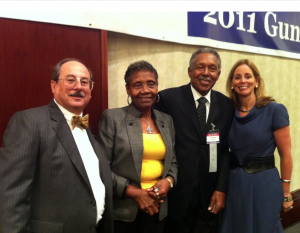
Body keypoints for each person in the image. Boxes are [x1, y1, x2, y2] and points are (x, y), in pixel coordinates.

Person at [0, 58, 113, 233]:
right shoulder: (29, 121)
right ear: (53, 86)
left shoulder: (87, 127)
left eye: (85, 82)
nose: (79, 86)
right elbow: (11, 194)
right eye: (70, 80)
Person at [155, 47, 233, 233]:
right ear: (190, 71)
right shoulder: (168, 99)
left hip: (209, 194)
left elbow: (224, 152)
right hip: (176, 194)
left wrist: (221, 189)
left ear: (218, 74)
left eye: (212, 68)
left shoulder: (226, 104)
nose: (206, 73)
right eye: (200, 67)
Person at [97, 60, 178, 233]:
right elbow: (101, 167)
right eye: (137, 85)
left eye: (151, 84)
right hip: (124, 212)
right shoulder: (113, 118)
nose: (145, 90)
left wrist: (169, 181)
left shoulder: (166, 120)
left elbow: (173, 163)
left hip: (158, 208)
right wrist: (136, 193)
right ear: (128, 89)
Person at [220, 59, 293, 233]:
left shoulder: (274, 110)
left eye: (248, 76)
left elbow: (286, 155)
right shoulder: (228, 112)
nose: (243, 81)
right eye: (237, 77)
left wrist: (286, 192)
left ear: (256, 81)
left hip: (264, 184)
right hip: (235, 184)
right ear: (231, 83)